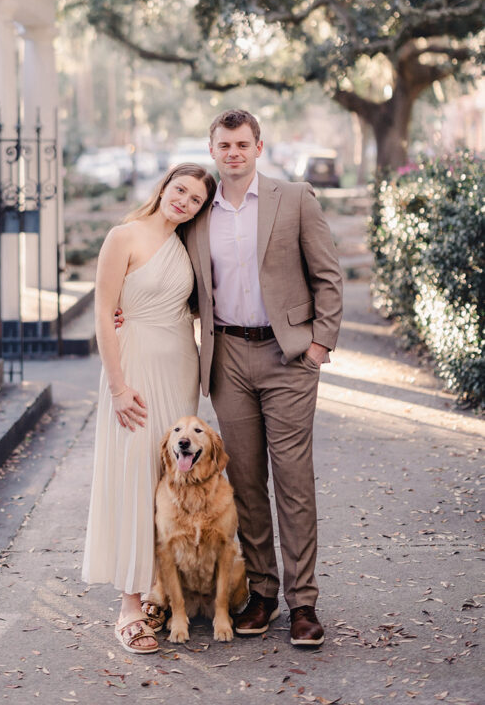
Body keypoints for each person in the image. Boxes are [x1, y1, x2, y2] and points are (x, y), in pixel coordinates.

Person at [181, 109, 343, 647]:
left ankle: (304, 604)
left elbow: (327, 274)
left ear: (259, 147)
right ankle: (264, 595)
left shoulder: (293, 198)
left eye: (242, 144)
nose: (233, 153)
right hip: (227, 355)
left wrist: (319, 343)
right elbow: (181, 282)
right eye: (224, 144)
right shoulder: (199, 214)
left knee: (292, 482)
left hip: (287, 356)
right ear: (213, 149)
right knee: (246, 482)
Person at [82, 163, 216, 654]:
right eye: (179, 190)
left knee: (171, 482)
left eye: (195, 199)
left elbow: (197, 306)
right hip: (134, 370)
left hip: (180, 369)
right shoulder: (125, 235)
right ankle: (129, 606)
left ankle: (164, 591)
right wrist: (118, 387)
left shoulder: (188, 248)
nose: (184, 201)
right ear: (164, 187)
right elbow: (102, 309)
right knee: (134, 475)